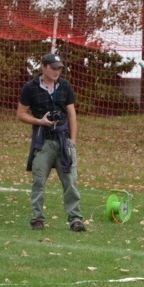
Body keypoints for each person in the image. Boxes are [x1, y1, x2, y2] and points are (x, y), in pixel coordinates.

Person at [17, 53, 85, 232]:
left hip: (64, 141)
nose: (57, 71)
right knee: (38, 181)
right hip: (43, 142)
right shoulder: (30, 87)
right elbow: (21, 114)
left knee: (70, 180)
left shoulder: (65, 86)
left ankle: (75, 219)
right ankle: (37, 219)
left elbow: (72, 114)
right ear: (43, 67)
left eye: (59, 68)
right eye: (53, 68)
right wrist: (40, 121)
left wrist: (73, 141)